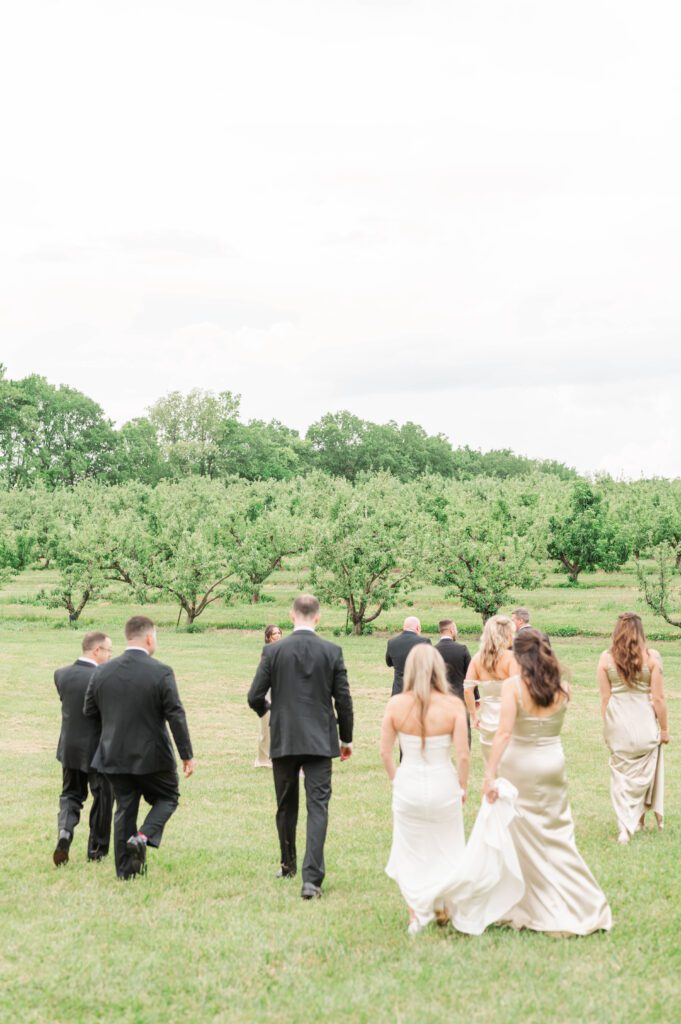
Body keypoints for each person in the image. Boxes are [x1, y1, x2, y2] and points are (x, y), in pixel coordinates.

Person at [483, 629, 612, 935]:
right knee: (557, 833)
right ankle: (585, 902)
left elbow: (503, 733)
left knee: (520, 834)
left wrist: (490, 772)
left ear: (518, 655)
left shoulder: (513, 686)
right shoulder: (562, 686)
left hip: (520, 763)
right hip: (553, 762)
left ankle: (526, 901)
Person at [248, 594, 353, 899]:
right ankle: (312, 880)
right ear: (317, 618)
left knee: (285, 804)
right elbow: (343, 700)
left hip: (285, 737)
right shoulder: (332, 651)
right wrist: (346, 739)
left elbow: (255, 695)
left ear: (292, 615)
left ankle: (287, 863)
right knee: (317, 806)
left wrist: (272, 712)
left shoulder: (274, 651)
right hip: (320, 738)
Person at [84, 616, 195, 880]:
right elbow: (175, 715)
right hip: (153, 756)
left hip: (113, 754)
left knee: (124, 808)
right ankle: (143, 837)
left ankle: (126, 872)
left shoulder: (102, 671)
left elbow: (88, 710)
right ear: (148, 638)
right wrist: (187, 755)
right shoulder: (161, 671)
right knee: (168, 797)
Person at [381, 645, 469, 934]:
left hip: (408, 785)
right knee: (447, 846)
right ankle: (444, 903)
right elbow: (464, 755)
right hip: (444, 783)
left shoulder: (396, 704)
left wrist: (397, 780)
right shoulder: (454, 705)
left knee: (411, 850)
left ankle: (415, 917)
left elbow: (385, 752)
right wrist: (462, 786)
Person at [597, 612, 669, 843]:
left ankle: (624, 827)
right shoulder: (652, 659)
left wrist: (607, 727)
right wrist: (665, 729)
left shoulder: (605, 660)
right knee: (645, 773)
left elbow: (605, 699)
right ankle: (639, 819)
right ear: (641, 632)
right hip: (644, 724)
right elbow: (658, 699)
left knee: (621, 777)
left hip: (617, 724)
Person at [53, 631, 114, 866]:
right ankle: (96, 850)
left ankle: (65, 833)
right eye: (109, 650)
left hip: (69, 748)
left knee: (70, 794)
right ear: (96, 650)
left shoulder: (61, 675)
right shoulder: (105, 678)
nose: (110, 656)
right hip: (99, 750)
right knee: (103, 799)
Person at [463, 615, 516, 761]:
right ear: (505, 635)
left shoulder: (477, 659)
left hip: (487, 721)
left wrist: (474, 716)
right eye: (512, 633)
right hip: (510, 720)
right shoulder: (512, 659)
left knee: (492, 766)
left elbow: (468, 689)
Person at [254, 624, 284, 768]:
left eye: (279, 633)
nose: (277, 635)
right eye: (274, 633)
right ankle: (263, 759)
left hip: (281, 688)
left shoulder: (284, 649)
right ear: (268, 637)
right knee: (266, 725)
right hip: (268, 690)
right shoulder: (266, 651)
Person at [385, 616, 431, 696]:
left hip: (398, 690)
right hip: (417, 690)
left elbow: (389, 663)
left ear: (404, 627)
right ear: (418, 628)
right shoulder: (424, 641)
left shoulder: (392, 642)